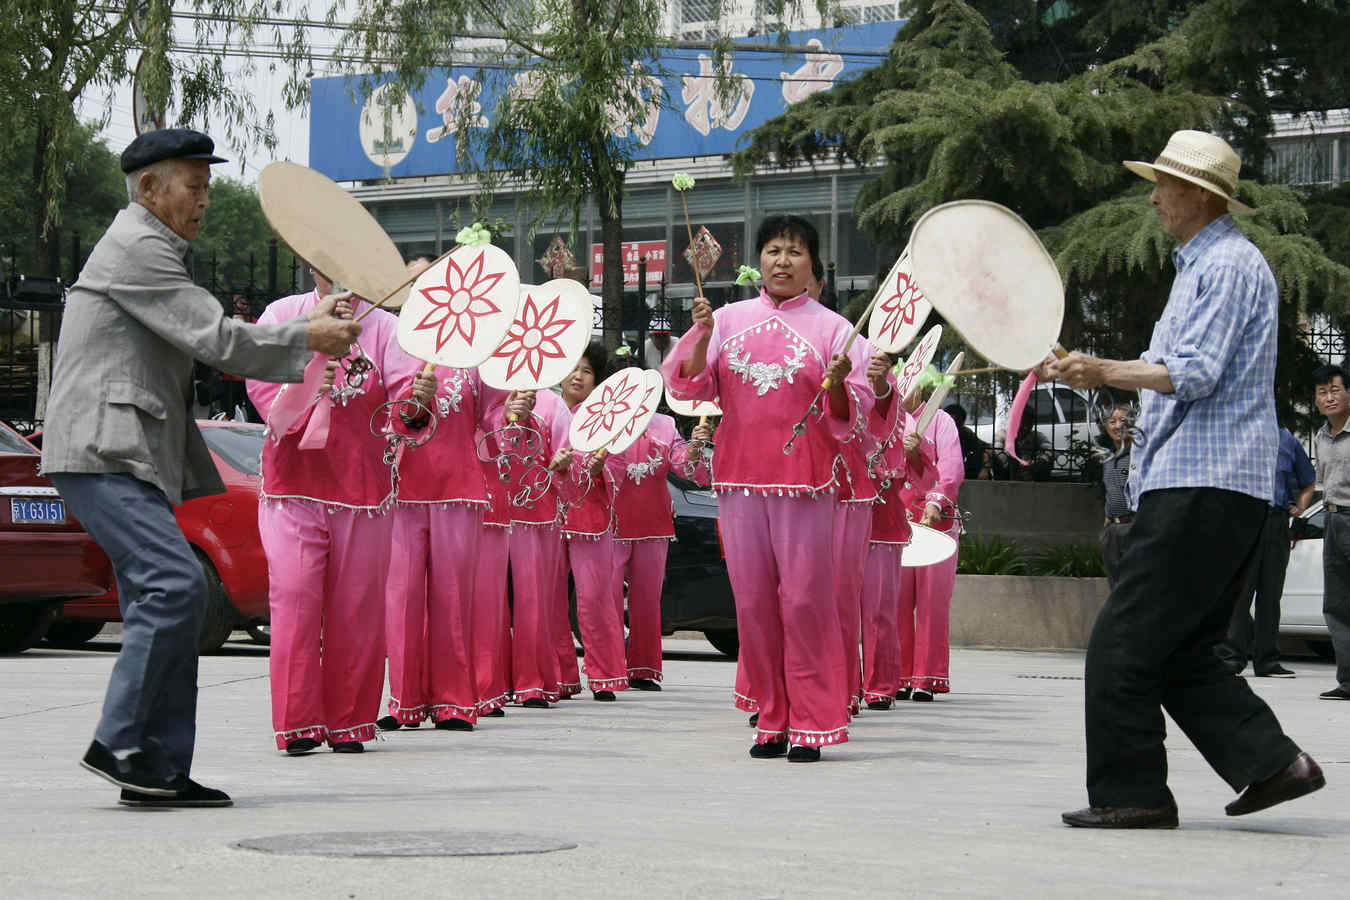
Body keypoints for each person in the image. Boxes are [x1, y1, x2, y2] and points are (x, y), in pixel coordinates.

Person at [41, 128, 360, 807]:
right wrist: (307, 335)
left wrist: (310, 326)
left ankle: (156, 767)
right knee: (176, 584)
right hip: (104, 447)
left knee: (168, 595)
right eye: (195, 186)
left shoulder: (155, 249)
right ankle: (123, 741)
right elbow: (217, 339)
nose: (205, 200)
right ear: (150, 188)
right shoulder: (139, 248)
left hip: (127, 449)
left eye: (209, 187)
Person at [1051, 130, 1321, 828]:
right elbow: (1172, 365)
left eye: (1164, 184)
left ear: (1200, 195)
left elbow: (1190, 374)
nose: (1154, 195)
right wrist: (1093, 367)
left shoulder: (1227, 265)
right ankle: (1272, 763)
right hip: (1207, 483)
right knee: (1178, 649)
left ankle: (1132, 793)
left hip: (1205, 481)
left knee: (1122, 641)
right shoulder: (1206, 266)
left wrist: (1102, 369)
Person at [662, 215, 872, 762]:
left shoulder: (835, 332)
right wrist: (702, 336)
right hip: (738, 482)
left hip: (804, 485)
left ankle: (813, 721)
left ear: (813, 266)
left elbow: (852, 417)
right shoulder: (727, 319)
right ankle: (772, 718)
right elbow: (686, 382)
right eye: (774, 250)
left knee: (804, 601)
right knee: (753, 604)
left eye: (796, 252)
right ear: (760, 259)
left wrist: (840, 381)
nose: (784, 261)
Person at [247, 267, 401, 756]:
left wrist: (415, 408)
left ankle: (350, 723)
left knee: (356, 610)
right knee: (294, 598)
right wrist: (313, 367)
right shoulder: (283, 315)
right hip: (294, 487)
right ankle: (298, 724)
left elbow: (404, 407)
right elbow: (270, 404)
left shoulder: (385, 329)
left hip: (362, 493)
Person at [1217, 419, 1314, 678]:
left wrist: (1300, 507)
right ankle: (1231, 657)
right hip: (1244, 520)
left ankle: (1267, 660)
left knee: (1270, 595)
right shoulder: (1235, 436)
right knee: (1240, 593)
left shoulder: (1288, 441)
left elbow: (1308, 482)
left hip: (1276, 521)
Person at [858, 352, 922, 709]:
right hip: (833, 511)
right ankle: (843, 686)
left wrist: (880, 386)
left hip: (882, 520)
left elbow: (925, 473)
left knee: (880, 608)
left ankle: (881, 686)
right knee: (835, 609)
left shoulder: (902, 417)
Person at [895, 381, 964, 701]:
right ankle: (897, 675)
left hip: (936, 519)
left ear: (921, 388)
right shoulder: (888, 418)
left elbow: (950, 470)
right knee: (894, 601)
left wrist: (936, 501)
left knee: (932, 602)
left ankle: (926, 677)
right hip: (897, 521)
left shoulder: (941, 421)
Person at [1313, 363, 1350, 700]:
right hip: (1332, 521)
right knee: (1337, 604)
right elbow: (1323, 485)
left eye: (1335, 390)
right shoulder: (1322, 437)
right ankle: (1348, 681)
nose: (1329, 397)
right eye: (1322, 392)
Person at [1097, 404, 1134, 589]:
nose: (1118, 426)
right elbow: (1108, 492)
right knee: (1115, 586)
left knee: (1135, 585)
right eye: (1112, 421)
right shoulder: (1108, 460)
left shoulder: (1139, 456)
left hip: (1135, 527)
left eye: (1124, 421)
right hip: (1113, 530)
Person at [944, 403, 992, 481]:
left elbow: (987, 449)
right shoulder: (939, 435)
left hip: (968, 475)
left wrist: (984, 470)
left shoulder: (966, 434)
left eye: (957, 422)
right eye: (950, 421)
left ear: (962, 422)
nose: (953, 425)